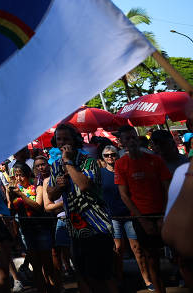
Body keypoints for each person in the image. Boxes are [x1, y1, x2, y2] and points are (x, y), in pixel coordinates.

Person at [46, 123, 117, 293]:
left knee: (104, 276)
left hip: (97, 228)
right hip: (75, 230)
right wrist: (58, 187)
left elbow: (84, 185)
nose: (62, 143)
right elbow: (51, 194)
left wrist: (69, 163)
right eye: (59, 139)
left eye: (66, 139)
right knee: (84, 276)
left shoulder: (89, 162)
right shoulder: (55, 165)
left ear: (76, 140)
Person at [115, 125, 172, 293]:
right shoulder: (120, 164)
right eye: (127, 138)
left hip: (162, 213)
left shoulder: (155, 160)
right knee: (151, 259)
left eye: (133, 137)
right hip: (141, 217)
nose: (131, 141)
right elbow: (124, 196)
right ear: (122, 143)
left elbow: (167, 188)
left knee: (178, 255)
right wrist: (142, 220)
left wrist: (164, 216)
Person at [99, 145, 150, 287]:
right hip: (112, 216)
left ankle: (146, 279)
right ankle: (119, 278)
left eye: (112, 154)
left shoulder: (124, 170)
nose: (110, 157)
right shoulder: (101, 173)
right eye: (106, 155)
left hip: (129, 214)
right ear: (103, 158)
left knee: (137, 248)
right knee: (118, 249)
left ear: (117, 155)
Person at [7, 162, 56, 293]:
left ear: (28, 175)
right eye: (16, 176)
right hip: (26, 230)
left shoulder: (37, 188)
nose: (18, 179)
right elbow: (11, 210)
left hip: (41, 228)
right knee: (36, 265)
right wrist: (10, 197)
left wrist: (21, 196)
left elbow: (38, 206)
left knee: (47, 263)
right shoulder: (13, 190)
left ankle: (53, 288)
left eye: (21, 175)